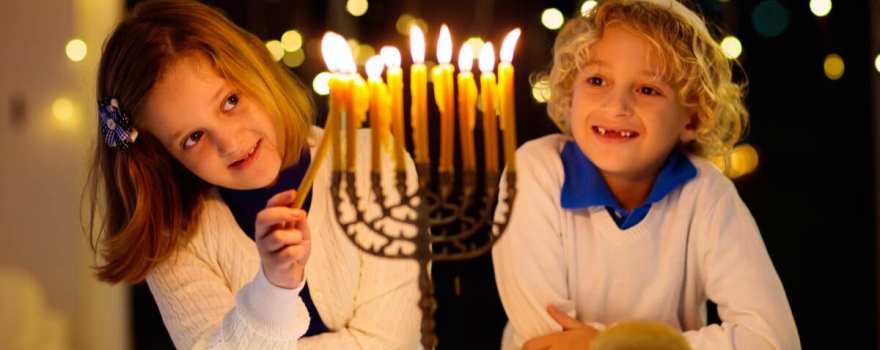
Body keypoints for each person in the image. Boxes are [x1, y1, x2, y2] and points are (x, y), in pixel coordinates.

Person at [85, 1, 420, 348]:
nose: (230, 143)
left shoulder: (374, 162)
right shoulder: (173, 238)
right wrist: (273, 288)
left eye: (230, 101)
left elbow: (392, 342)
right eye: (193, 137)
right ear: (164, 156)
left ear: (257, 70)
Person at [491, 0, 800, 349]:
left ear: (693, 119)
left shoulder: (709, 195)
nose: (616, 105)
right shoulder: (534, 172)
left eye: (648, 90)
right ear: (569, 93)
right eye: (596, 80)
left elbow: (774, 340)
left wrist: (608, 345)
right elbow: (546, 340)